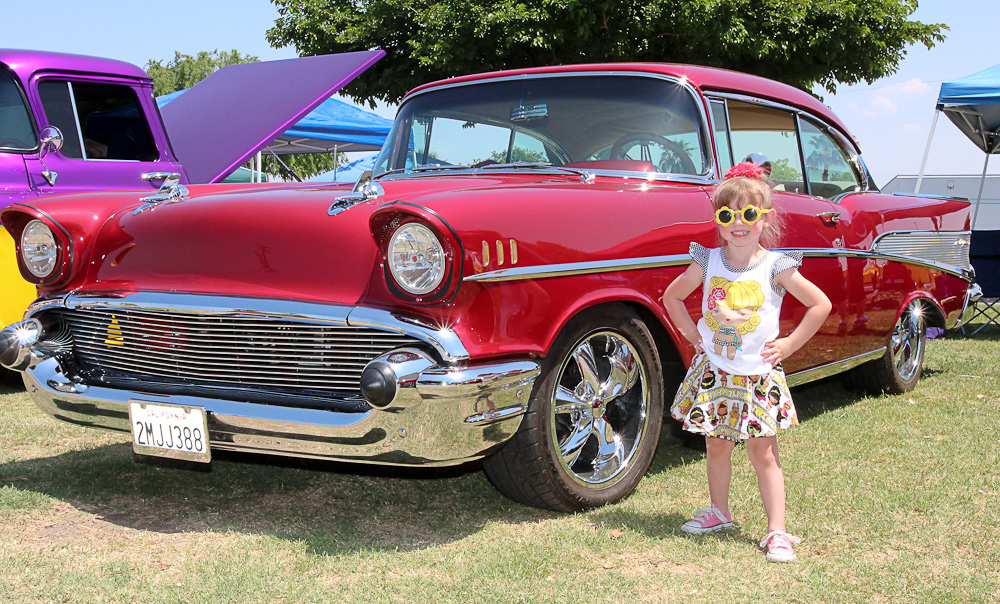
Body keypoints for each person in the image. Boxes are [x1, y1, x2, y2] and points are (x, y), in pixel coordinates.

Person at [661, 161, 831, 563]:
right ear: (717, 220)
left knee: (763, 454)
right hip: (715, 374)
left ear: (765, 218)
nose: (738, 222)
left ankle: (777, 532)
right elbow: (671, 298)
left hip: (757, 376)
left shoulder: (777, 266)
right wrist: (693, 335)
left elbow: (819, 304)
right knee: (716, 447)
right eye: (727, 214)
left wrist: (789, 344)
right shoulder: (707, 261)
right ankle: (719, 512)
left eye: (749, 214)